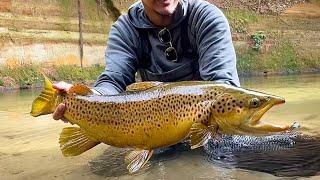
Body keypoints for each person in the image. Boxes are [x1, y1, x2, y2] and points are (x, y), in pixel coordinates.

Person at [53, 0, 240, 121]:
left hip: (204, 124)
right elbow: (114, 81)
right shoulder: (125, 30)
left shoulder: (206, 18)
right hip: (150, 125)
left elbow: (224, 86)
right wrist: (85, 98)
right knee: (102, 170)